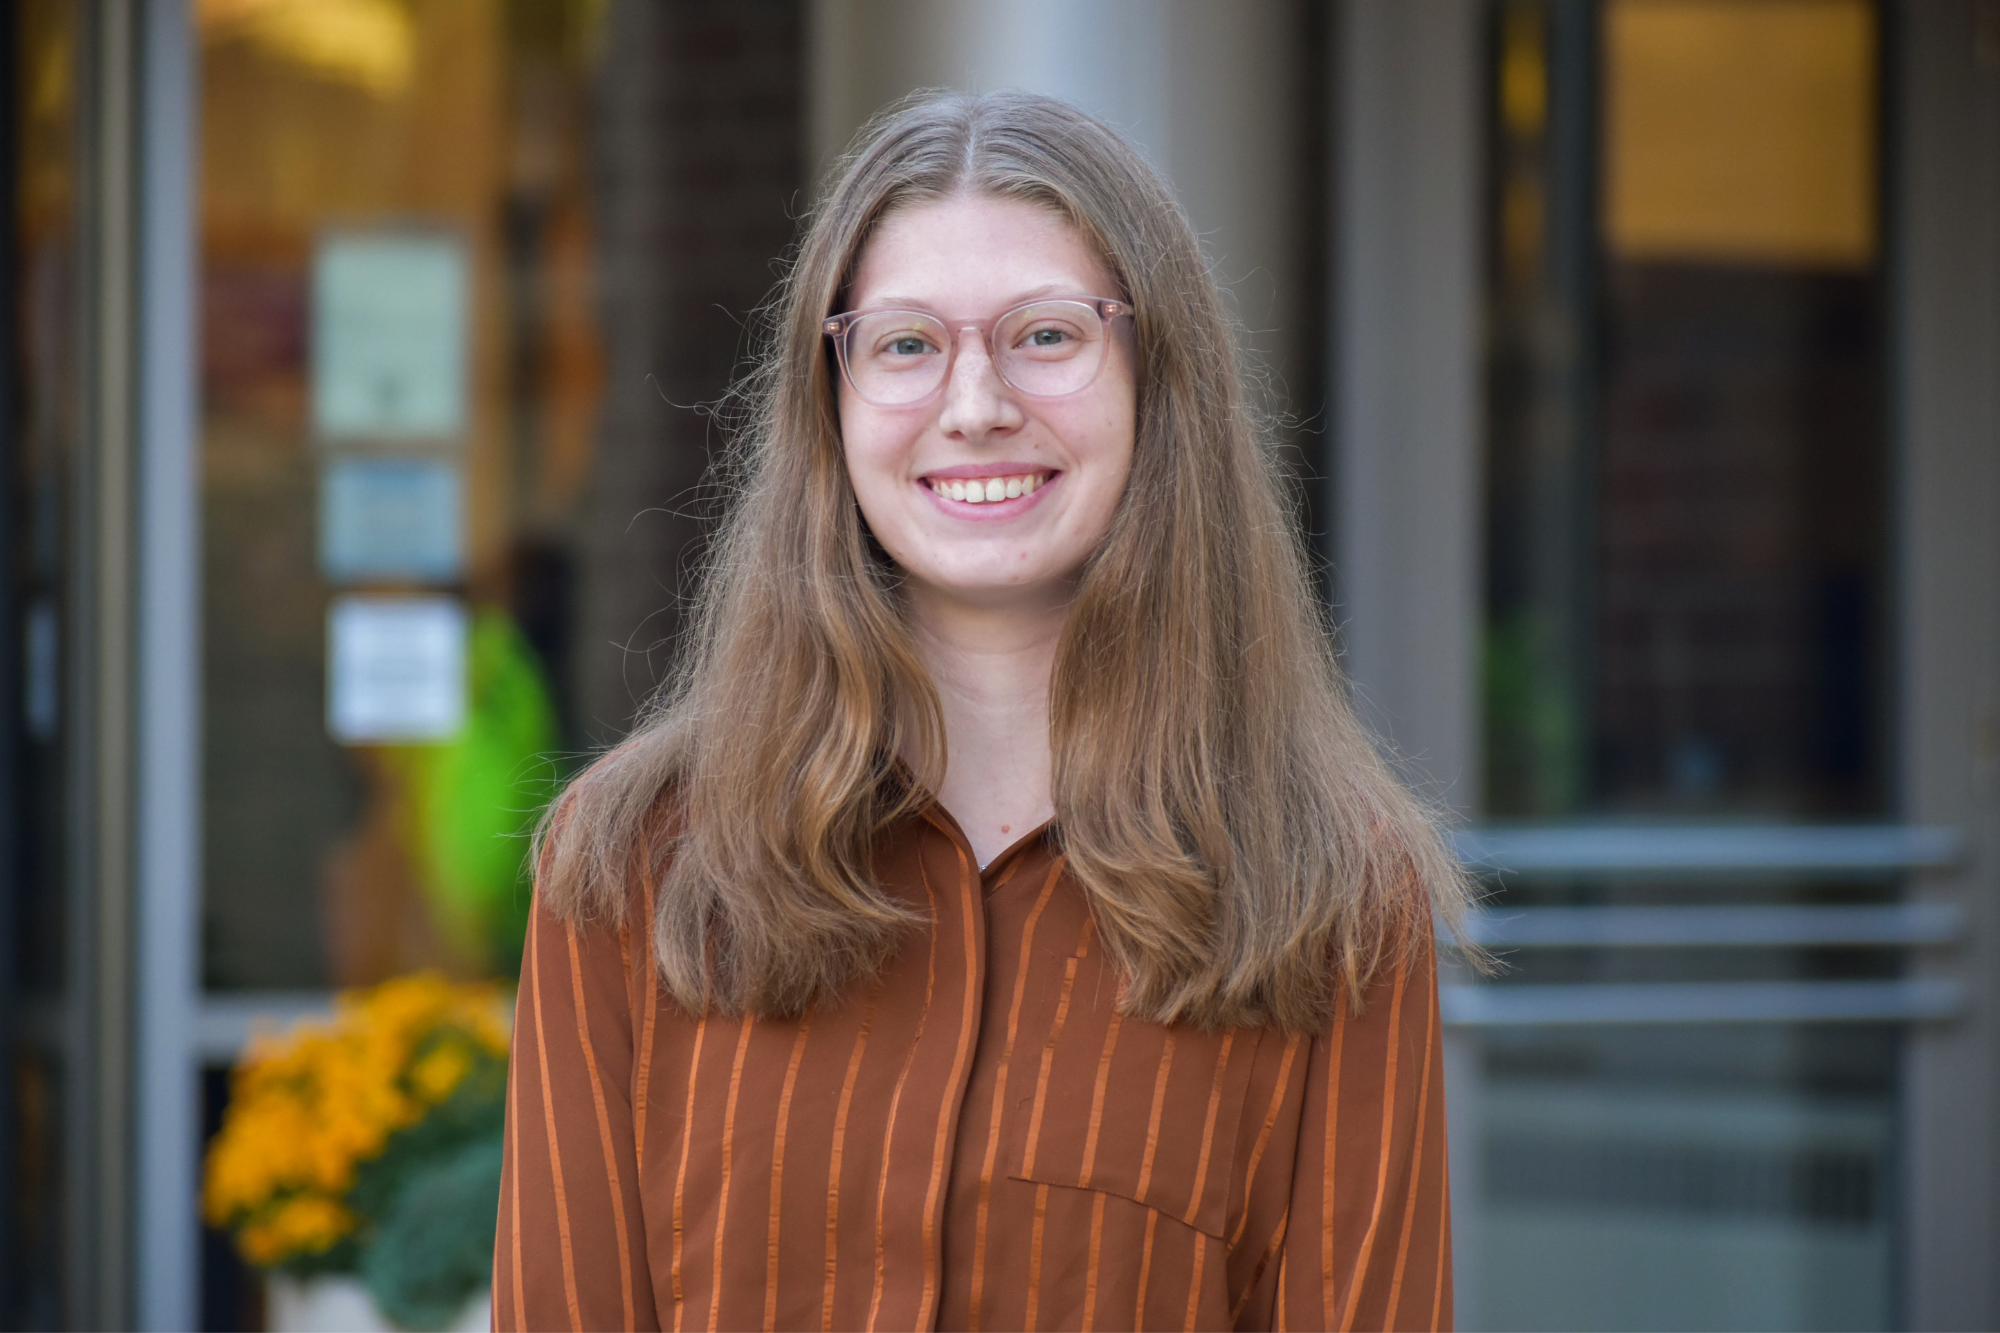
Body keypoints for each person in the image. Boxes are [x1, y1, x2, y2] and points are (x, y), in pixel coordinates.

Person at [493, 89, 1470, 1333]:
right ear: (829, 400)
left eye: (1045, 334)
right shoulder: (630, 866)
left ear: (1157, 377)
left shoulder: (1329, 896)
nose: (974, 406)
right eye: (905, 344)